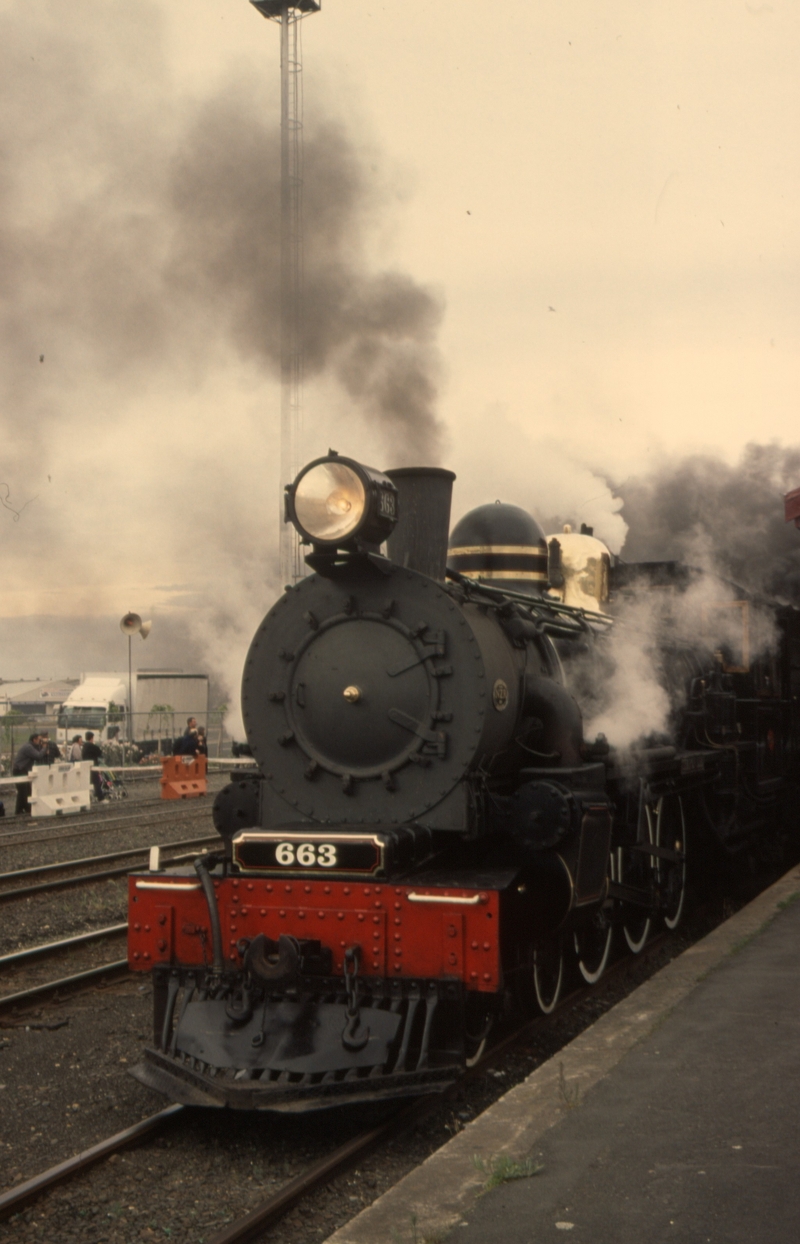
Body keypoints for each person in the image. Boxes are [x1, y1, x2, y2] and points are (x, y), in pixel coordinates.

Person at [12, 733, 48, 815]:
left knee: (26, 790)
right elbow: (38, 756)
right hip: (19, 770)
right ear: (34, 739)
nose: (40, 742)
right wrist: (44, 748)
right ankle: (19, 811)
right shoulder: (28, 747)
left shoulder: (30, 746)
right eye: (39, 740)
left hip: (22, 770)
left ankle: (24, 809)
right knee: (23, 791)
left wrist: (42, 748)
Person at [82, 731, 105, 802]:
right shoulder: (92, 746)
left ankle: (90, 796)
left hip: (85, 766)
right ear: (92, 738)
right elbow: (100, 753)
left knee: (88, 782)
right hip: (93, 766)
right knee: (96, 781)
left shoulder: (84, 746)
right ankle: (100, 797)